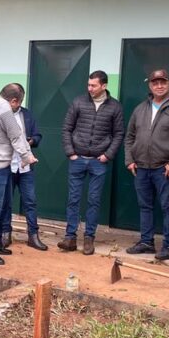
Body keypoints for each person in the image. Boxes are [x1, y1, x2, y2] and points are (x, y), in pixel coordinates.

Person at [57, 70, 124, 254]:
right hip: (77, 158)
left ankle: (89, 239)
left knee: (94, 200)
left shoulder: (115, 107)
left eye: (94, 85)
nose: (90, 88)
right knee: (73, 199)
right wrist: (71, 153)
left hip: (98, 161)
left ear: (104, 86)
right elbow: (66, 128)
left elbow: (119, 134)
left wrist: (107, 155)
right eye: (88, 85)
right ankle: (70, 237)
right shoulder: (78, 102)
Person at [124, 68, 169, 259]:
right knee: (145, 206)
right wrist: (129, 160)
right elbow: (130, 137)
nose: (159, 86)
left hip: (164, 168)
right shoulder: (140, 108)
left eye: (163, 82)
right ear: (149, 85)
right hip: (141, 167)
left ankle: (168, 247)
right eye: (155, 83)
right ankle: (146, 242)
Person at [0, 84, 37, 265]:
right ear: (13, 100)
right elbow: (16, 135)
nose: (18, 107)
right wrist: (28, 157)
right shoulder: (3, 108)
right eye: (19, 104)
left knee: (1, 207)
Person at [0, 84, 48, 251]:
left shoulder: (27, 114)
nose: (19, 104)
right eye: (17, 101)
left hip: (25, 167)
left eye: (20, 101)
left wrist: (31, 141)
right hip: (7, 165)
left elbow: (38, 135)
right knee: (6, 202)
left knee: (30, 201)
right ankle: (6, 233)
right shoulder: (1, 115)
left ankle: (33, 236)